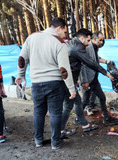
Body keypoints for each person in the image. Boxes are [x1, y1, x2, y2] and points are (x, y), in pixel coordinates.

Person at [16, 17, 76, 150]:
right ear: (58, 28)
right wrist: (72, 88)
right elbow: (64, 69)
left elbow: (22, 59)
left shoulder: (31, 38)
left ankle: (38, 140)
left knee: (38, 112)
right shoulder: (59, 43)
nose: (65, 35)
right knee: (55, 113)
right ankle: (55, 143)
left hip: (36, 83)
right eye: (64, 32)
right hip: (54, 83)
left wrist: (21, 75)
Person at [62, 28, 114, 135]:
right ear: (82, 38)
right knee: (71, 105)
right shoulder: (79, 48)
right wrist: (106, 73)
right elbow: (88, 63)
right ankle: (61, 129)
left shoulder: (72, 45)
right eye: (88, 40)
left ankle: (84, 124)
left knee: (78, 101)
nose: (89, 42)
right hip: (73, 80)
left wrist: (105, 61)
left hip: (77, 79)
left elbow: (95, 59)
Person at [80, 31, 118, 125]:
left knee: (101, 97)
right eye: (100, 40)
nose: (102, 42)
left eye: (103, 40)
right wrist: (84, 81)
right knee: (85, 100)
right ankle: (78, 118)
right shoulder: (88, 48)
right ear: (94, 39)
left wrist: (106, 62)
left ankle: (106, 118)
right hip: (88, 79)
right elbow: (87, 65)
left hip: (94, 79)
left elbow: (97, 59)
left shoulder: (95, 48)